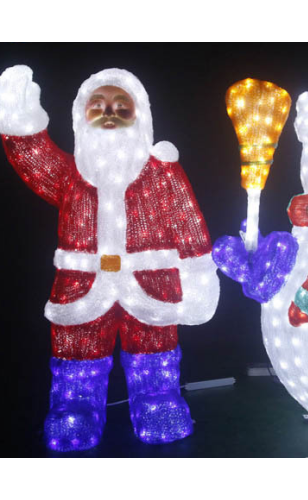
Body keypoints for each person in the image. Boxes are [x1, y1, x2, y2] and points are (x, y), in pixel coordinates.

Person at [0, 65, 219, 451]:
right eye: (97, 105)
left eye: (121, 106)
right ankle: (75, 408)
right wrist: (19, 121)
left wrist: (198, 279)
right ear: (81, 115)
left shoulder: (162, 172)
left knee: (154, 349)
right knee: (77, 351)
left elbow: (188, 226)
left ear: (140, 114)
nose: (109, 113)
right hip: (82, 286)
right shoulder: (71, 175)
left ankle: (157, 402)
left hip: (151, 284)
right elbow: (35, 160)